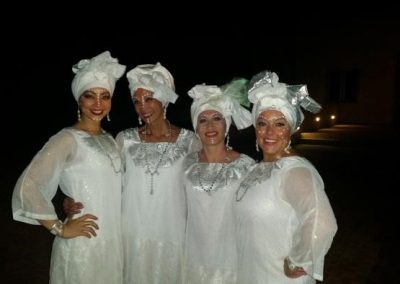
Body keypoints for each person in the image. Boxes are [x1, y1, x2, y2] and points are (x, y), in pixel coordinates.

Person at [11, 51, 126, 283]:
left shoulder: (111, 139)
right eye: (89, 96)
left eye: (105, 96)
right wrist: (59, 228)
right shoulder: (67, 138)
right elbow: (28, 186)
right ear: (78, 100)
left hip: (113, 243)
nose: (98, 104)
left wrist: (67, 201)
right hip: (83, 244)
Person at [234, 70, 338, 283]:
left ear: (290, 129)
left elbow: (323, 222)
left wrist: (297, 261)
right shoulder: (257, 168)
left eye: (279, 124)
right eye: (262, 123)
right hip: (253, 271)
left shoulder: (294, 170)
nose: (269, 132)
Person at [182, 79, 256, 283]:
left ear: (227, 124)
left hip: (232, 258)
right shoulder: (187, 164)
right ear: (196, 126)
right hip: (194, 256)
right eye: (203, 120)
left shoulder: (246, 166)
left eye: (217, 118)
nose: (210, 126)